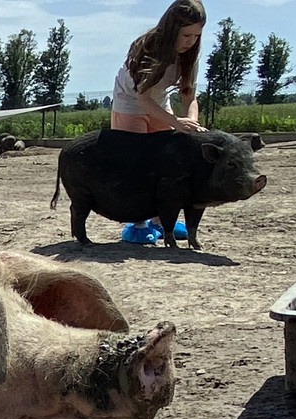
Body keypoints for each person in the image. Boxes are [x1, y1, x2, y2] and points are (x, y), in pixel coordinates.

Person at [110, 0, 207, 243]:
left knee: (166, 165)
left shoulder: (189, 56)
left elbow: (189, 96)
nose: (190, 41)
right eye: (186, 35)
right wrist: (176, 123)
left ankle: (162, 220)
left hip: (160, 105)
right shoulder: (148, 48)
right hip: (130, 104)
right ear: (171, 29)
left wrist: (190, 123)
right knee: (137, 165)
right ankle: (137, 223)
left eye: (196, 36)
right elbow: (143, 98)